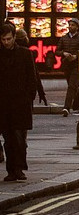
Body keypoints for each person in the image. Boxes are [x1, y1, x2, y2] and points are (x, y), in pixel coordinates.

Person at [0, 22, 37, 182]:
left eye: (8, 39)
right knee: (8, 139)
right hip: (3, 104)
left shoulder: (25, 54)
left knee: (19, 138)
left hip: (20, 103)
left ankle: (19, 168)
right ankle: (11, 171)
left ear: (14, 37)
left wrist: (29, 98)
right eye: (3, 39)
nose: (6, 42)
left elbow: (32, 78)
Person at [56, 17, 79, 116]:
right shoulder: (64, 38)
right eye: (69, 25)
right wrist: (64, 53)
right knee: (73, 86)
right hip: (66, 65)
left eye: (73, 25)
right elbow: (57, 51)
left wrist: (76, 56)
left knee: (71, 86)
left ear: (77, 27)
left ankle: (66, 107)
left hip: (77, 65)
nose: (70, 26)